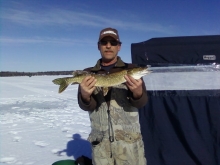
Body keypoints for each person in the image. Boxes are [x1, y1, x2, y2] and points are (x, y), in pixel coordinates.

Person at [77, 27, 148, 165]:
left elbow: (141, 102)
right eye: (104, 42)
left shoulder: (130, 69)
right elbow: (87, 106)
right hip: (101, 145)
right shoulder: (89, 72)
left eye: (113, 43)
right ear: (99, 46)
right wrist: (85, 95)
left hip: (129, 144)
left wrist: (137, 92)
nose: (108, 46)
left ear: (119, 47)